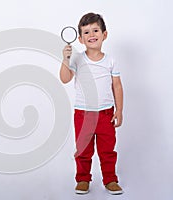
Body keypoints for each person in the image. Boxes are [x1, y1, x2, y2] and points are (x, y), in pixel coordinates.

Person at [60, 12, 124, 195]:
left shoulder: (111, 60)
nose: (91, 35)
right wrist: (65, 59)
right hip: (83, 114)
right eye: (86, 32)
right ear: (80, 39)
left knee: (107, 150)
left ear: (105, 34)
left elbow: (117, 86)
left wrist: (119, 110)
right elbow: (64, 79)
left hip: (106, 114)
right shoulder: (77, 59)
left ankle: (110, 179)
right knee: (83, 150)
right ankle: (82, 179)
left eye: (95, 30)